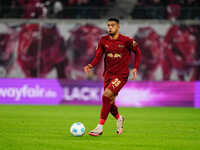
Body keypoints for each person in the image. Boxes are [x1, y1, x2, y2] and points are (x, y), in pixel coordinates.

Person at [83, 18, 141, 136]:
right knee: (109, 101)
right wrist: (91, 65)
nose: (110, 27)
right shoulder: (103, 40)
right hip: (108, 74)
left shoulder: (127, 40)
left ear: (118, 27)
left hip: (121, 75)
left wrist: (135, 67)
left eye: (112, 25)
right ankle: (119, 118)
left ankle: (99, 127)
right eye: (108, 25)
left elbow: (138, 52)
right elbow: (98, 56)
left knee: (106, 96)